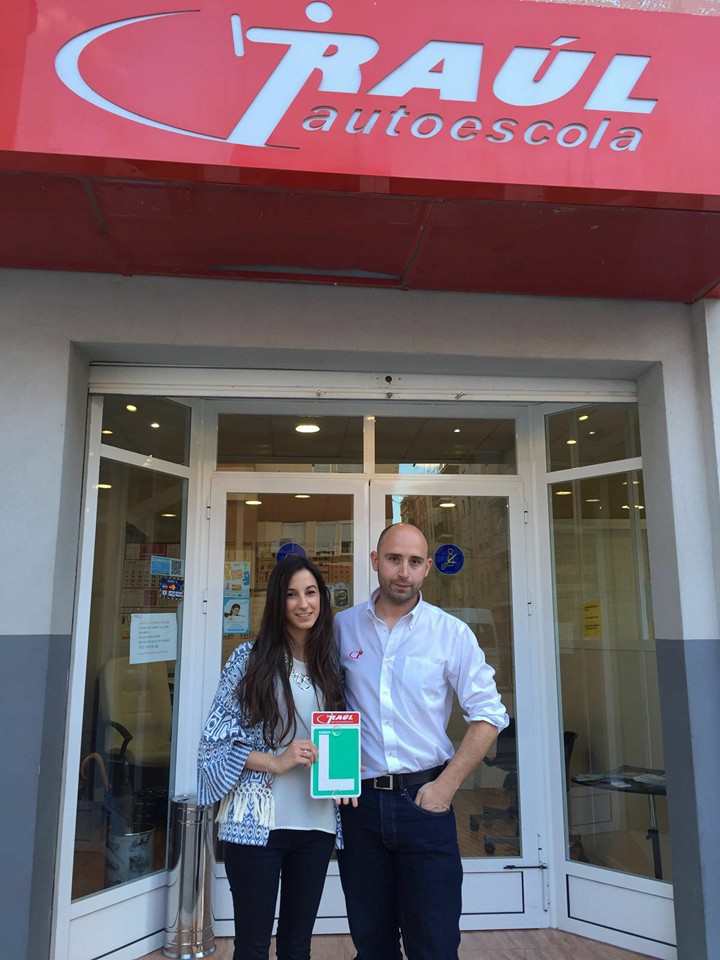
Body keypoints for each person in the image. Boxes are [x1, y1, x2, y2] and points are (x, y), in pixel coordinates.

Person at [335, 523, 509, 960]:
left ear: (428, 568)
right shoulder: (340, 628)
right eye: (394, 559)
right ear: (375, 561)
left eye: (414, 562)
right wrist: (338, 768)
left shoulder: (451, 633)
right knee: (372, 945)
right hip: (360, 808)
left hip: (425, 804)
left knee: (434, 945)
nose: (403, 572)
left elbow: (490, 716)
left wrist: (446, 787)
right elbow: (324, 699)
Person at [198, 555, 345, 960]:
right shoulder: (249, 660)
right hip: (256, 824)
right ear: (278, 602)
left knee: (298, 946)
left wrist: (346, 768)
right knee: (252, 946)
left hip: (316, 823)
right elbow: (213, 743)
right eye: (292, 594)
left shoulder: (331, 665)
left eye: (311, 592)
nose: (304, 603)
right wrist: (277, 761)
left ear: (322, 598)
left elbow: (339, 734)